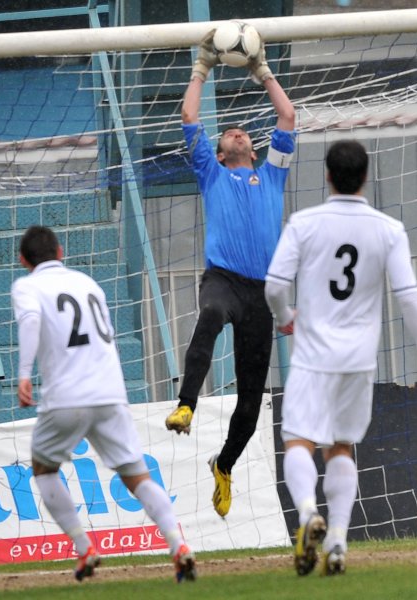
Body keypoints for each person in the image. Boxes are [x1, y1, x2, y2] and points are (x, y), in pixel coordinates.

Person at [264, 140, 417, 576]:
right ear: (365, 177)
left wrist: (285, 316)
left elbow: (274, 285)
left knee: (298, 439)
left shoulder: (304, 223)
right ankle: (336, 542)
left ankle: (309, 511)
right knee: (342, 446)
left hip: (313, 355)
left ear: (327, 175)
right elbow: (408, 295)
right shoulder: (387, 228)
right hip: (359, 358)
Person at [11, 225, 196, 583]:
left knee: (44, 469)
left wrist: (23, 373)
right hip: (110, 392)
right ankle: (178, 544)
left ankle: (84, 549)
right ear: (61, 252)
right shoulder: (88, 284)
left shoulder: (27, 286)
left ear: (22, 261)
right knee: (138, 477)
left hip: (67, 396)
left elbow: (32, 320)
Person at [163, 27, 296, 519]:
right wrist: (202, 67)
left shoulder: (274, 172)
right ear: (219, 154)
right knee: (211, 315)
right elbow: (189, 116)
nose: (237, 131)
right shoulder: (211, 172)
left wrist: (262, 70)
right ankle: (186, 405)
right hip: (223, 279)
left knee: (250, 396)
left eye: (244, 132)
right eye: (230, 133)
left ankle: (225, 464)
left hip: (263, 292)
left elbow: (287, 115)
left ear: (254, 151)